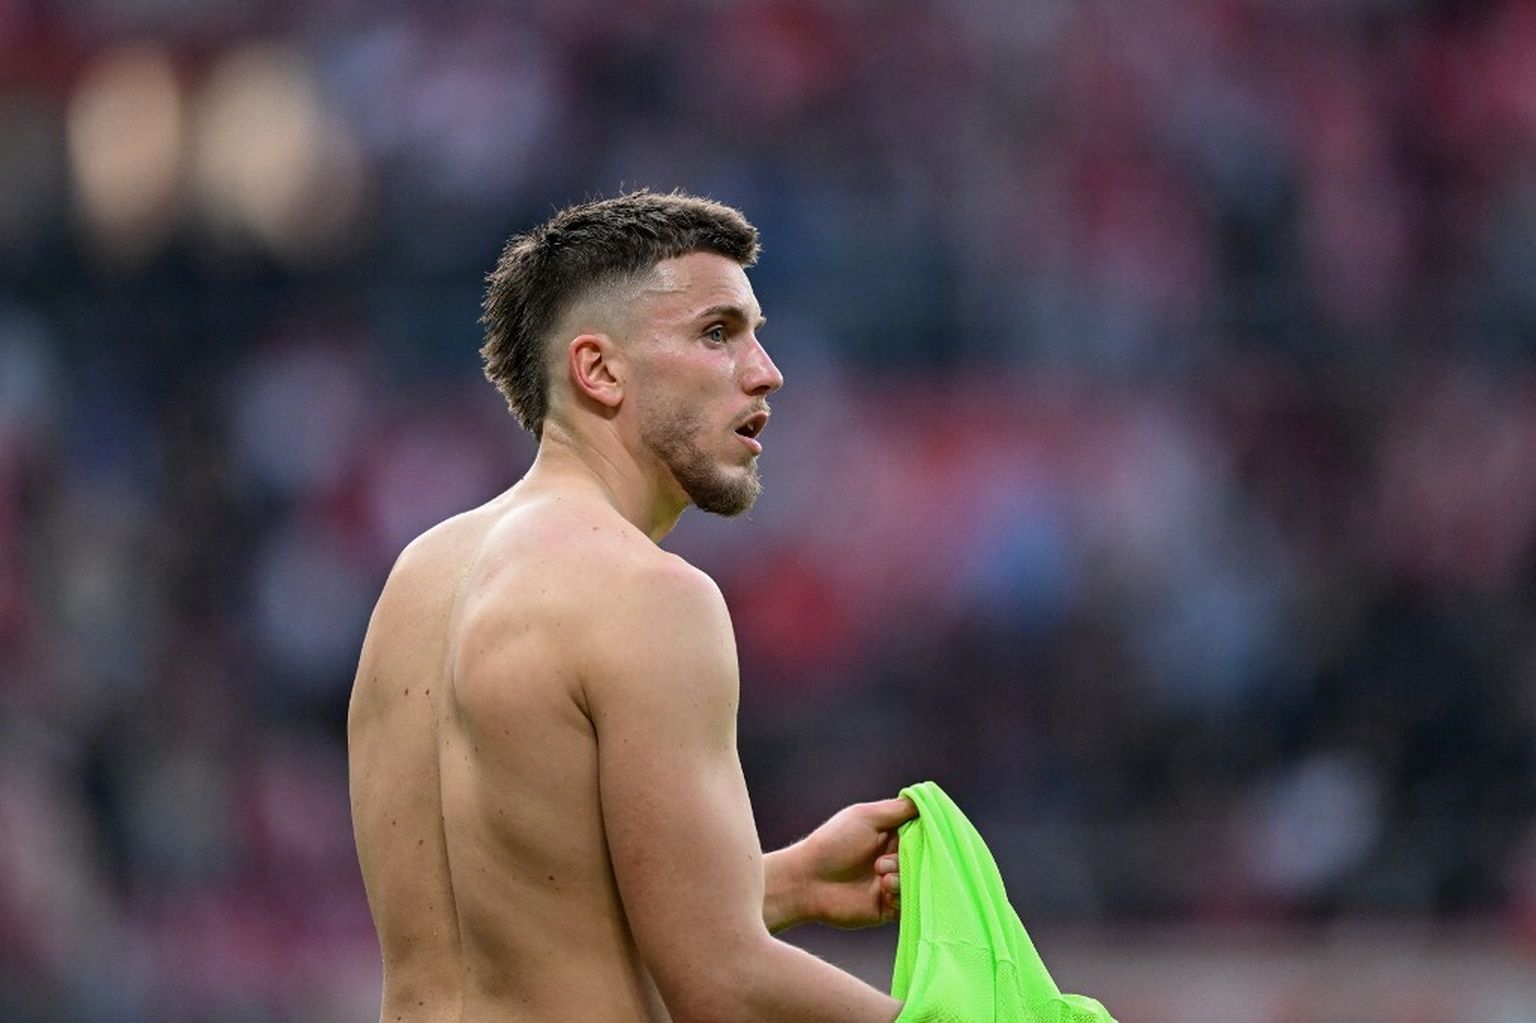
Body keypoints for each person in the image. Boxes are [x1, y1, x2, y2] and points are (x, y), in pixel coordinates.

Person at [347, 190, 916, 1022]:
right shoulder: (650, 595)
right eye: (717, 333)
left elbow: (530, 915)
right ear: (600, 370)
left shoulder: (418, 580)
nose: (766, 371)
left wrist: (787, 881)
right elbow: (723, 984)